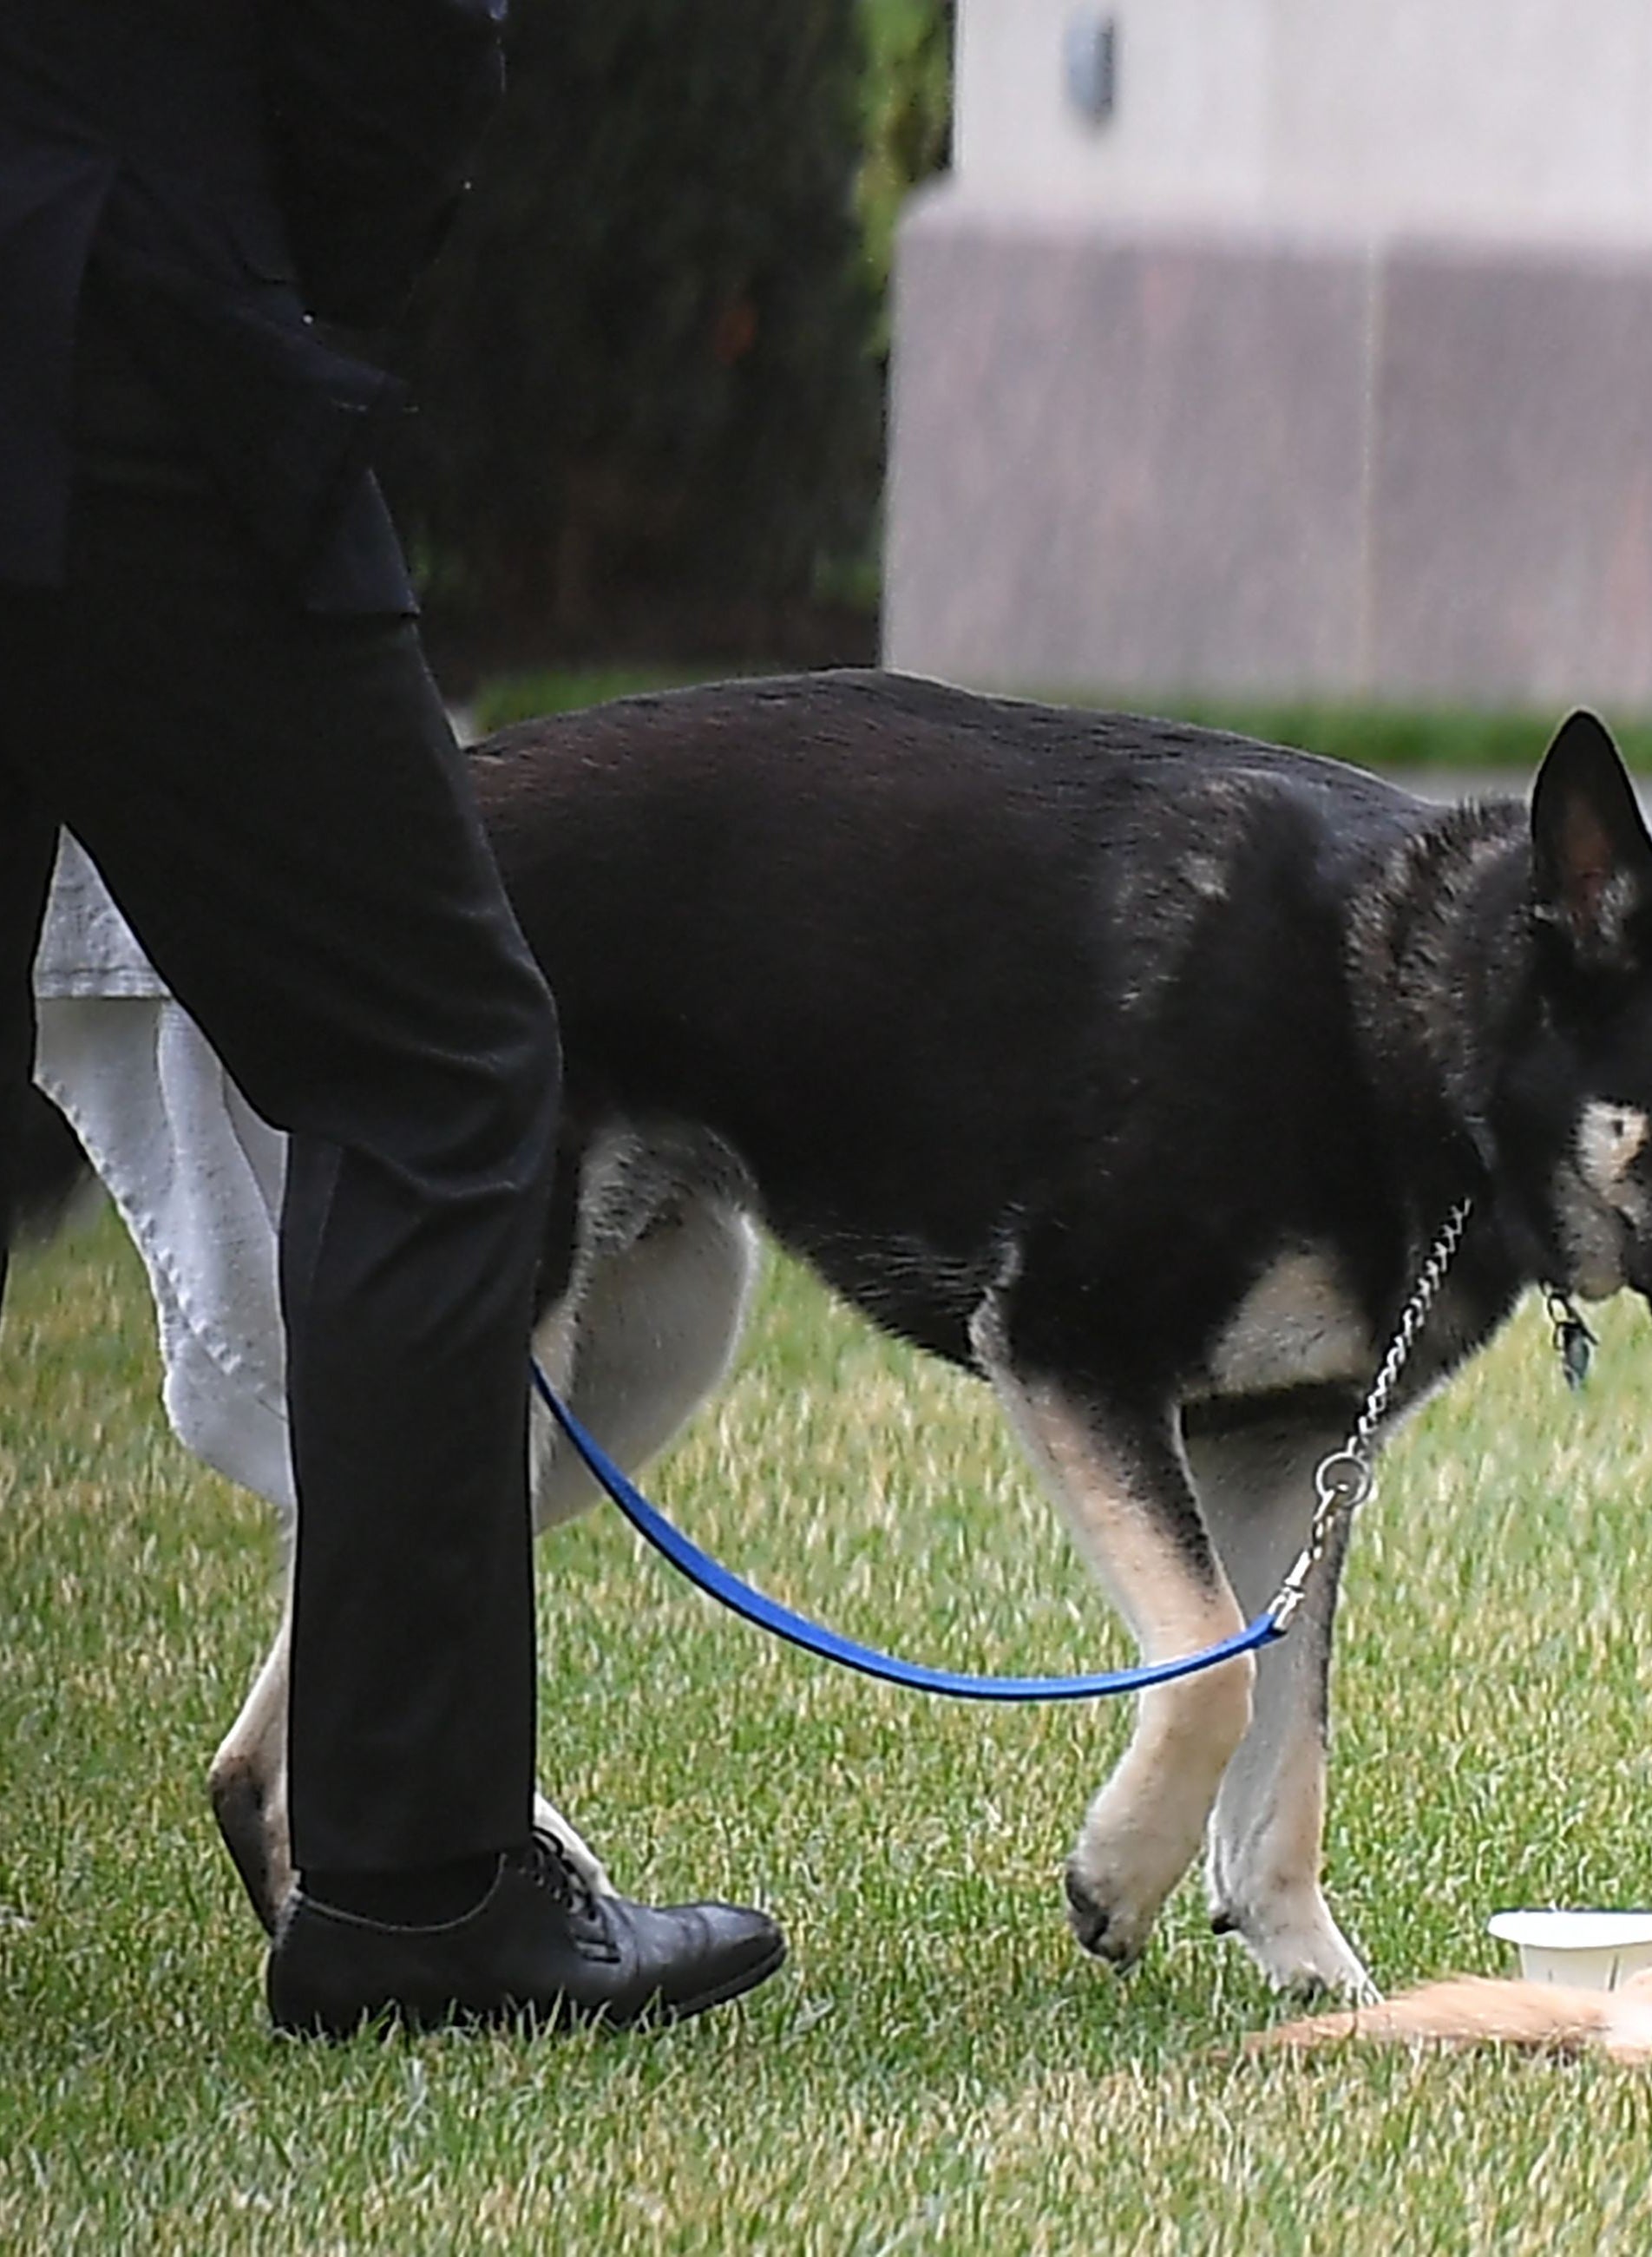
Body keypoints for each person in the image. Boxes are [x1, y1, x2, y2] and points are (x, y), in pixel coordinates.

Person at [0, 1, 784, 2033]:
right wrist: (274, 299)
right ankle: (421, 1890)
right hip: (112, 305)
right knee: (437, 1069)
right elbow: (391, 48)